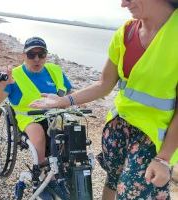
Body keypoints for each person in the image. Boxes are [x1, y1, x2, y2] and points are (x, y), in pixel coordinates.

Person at [30, 0, 178, 199]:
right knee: (113, 180)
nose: (123, 3)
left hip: (153, 138)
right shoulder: (125, 33)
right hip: (118, 127)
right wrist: (63, 101)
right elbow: (104, 85)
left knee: (133, 193)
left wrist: (163, 159)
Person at [0, 36, 72, 165]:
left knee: (74, 131)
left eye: (41, 54)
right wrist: (0, 84)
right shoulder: (14, 76)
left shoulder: (55, 70)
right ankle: (41, 166)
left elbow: (69, 92)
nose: (37, 59)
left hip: (55, 114)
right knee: (38, 134)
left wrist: (72, 101)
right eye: (31, 55)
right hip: (28, 116)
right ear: (24, 55)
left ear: (46, 55)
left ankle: (67, 165)